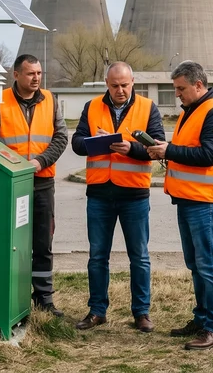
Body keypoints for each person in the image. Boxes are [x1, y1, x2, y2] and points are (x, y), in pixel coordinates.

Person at [144, 61, 213, 351]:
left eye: (181, 88)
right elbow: (189, 151)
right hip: (189, 199)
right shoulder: (192, 111)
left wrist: (169, 150)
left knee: (208, 265)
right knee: (196, 265)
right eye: (175, 89)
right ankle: (203, 319)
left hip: (206, 202)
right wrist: (165, 150)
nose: (177, 94)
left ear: (198, 85)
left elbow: (210, 154)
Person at [70, 62, 166, 333]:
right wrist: (95, 142)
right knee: (97, 256)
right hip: (99, 193)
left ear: (133, 82)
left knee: (140, 257)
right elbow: (76, 143)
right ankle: (97, 311)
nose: (120, 90)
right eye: (115, 85)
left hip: (134, 194)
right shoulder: (92, 107)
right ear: (106, 84)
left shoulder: (148, 108)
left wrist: (130, 148)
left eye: (124, 85)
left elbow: (157, 147)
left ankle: (141, 312)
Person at [0, 54, 69, 317]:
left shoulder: (50, 100)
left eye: (39, 73)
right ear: (16, 75)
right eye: (30, 73)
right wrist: (13, 166)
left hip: (42, 182)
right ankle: (10, 294)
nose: (36, 78)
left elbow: (61, 138)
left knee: (43, 242)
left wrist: (40, 162)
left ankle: (43, 298)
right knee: (9, 240)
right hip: (10, 183)